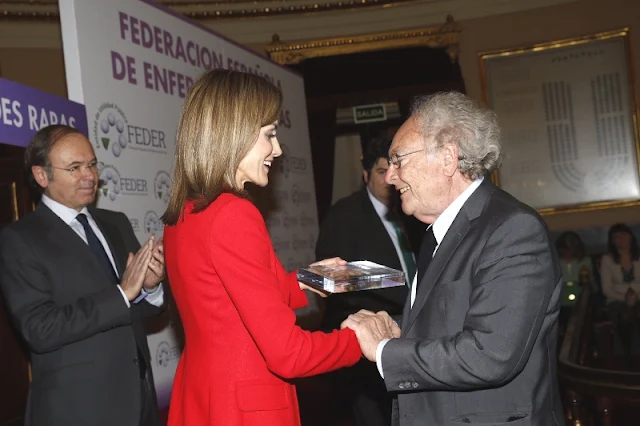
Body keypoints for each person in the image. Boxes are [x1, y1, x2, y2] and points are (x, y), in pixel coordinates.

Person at [341, 92, 565, 426]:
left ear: (448, 158)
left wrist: (385, 349)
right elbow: (455, 316)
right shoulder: (439, 231)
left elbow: (490, 354)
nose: (389, 176)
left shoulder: (512, 229)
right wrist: (397, 325)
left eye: (399, 160)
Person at [161, 70, 369, 426]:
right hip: (245, 410)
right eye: (269, 135)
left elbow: (230, 307)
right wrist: (359, 340)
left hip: (206, 396)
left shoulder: (185, 213)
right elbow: (289, 354)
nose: (278, 149)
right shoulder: (233, 214)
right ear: (233, 132)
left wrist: (312, 279)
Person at [0, 125, 166, 426]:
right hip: (79, 410)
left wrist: (149, 289)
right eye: (74, 168)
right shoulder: (19, 240)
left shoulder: (115, 223)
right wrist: (122, 293)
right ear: (41, 176)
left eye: (91, 164)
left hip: (140, 403)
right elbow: (40, 329)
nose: (89, 175)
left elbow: (135, 310)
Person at [315, 136, 413, 426]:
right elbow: (328, 277)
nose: (389, 179)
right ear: (365, 175)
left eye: (393, 170)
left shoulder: (405, 210)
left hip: (399, 334)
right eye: (381, 172)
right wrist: (389, 283)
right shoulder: (344, 213)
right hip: (360, 342)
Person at [600, 223, 640, 356]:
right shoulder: (607, 259)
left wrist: (635, 296)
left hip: (638, 296)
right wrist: (625, 298)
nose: (620, 239)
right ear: (612, 241)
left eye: (623, 235)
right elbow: (606, 289)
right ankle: (621, 356)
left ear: (630, 237)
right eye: (616, 236)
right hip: (616, 299)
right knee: (622, 317)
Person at [555, 231, 594, 332]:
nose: (568, 251)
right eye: (565, 248)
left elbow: (591, 283)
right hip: (562, 297)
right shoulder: (556, 263)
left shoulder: (585, 261)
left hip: (580, 295)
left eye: (571, 248)